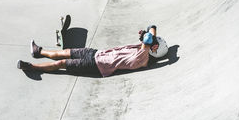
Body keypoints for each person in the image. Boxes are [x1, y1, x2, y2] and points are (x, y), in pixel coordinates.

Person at [17, 25, 160, 77]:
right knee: (65, 52)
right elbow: (151, 27)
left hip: (95, 66)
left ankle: (30, 67)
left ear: (153, 51)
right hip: (95, 53)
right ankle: (39, 52)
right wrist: (151, 38)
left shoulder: (143, 59)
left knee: (61, 63)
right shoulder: (141, 49)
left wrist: (151, 39)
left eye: (154, 46)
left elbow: (148, 36)